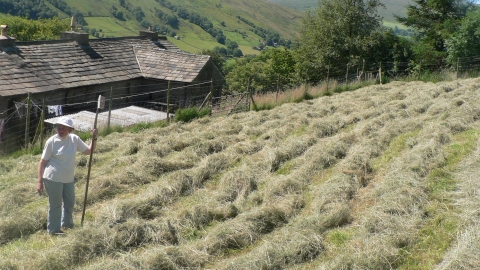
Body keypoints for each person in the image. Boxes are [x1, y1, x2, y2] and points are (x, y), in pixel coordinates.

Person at [37, 116, 98, 235]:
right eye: (58, 127)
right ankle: (54, 230)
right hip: (53, 178)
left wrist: (94, 137)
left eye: (63, 128)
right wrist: (39, 182)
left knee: (69, 202)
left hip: (68, 178)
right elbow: (42, 162)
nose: (60, 130)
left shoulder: (74, 139)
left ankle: (67, 224)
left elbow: (89, 151)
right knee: (56, 205)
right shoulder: (52, 141)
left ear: (69, 129)